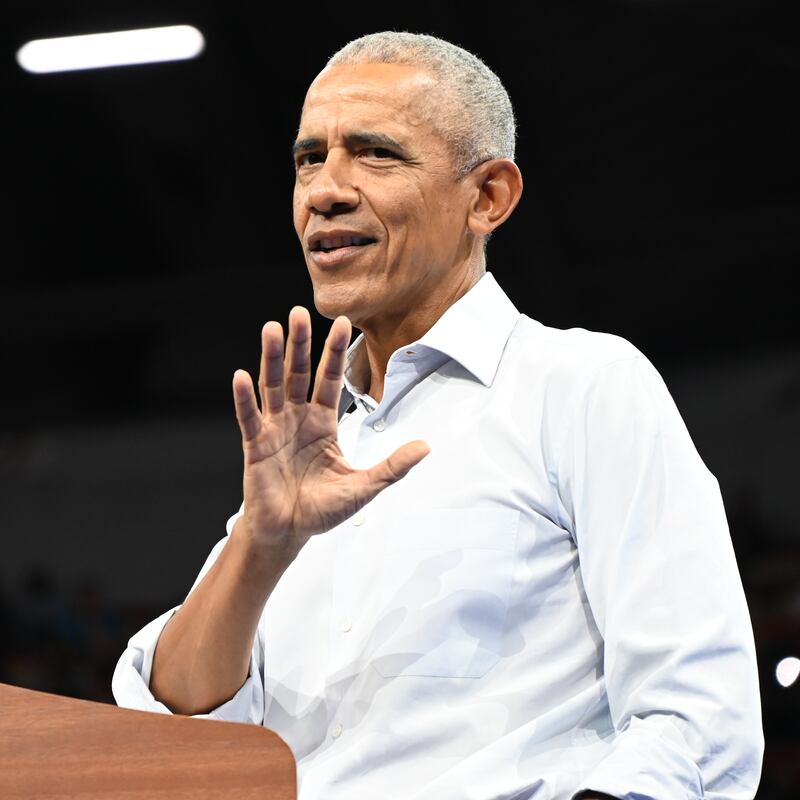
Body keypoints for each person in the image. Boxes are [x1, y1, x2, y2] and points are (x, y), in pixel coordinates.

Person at [112, 31, 764, 800]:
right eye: (308, 157)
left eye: (375, 153)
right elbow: (175, 728)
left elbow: (697, 721)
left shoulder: (581, 385)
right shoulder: (310, 449)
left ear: (487, 198)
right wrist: (260, 542)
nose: (325, 188)